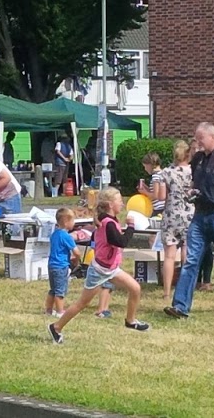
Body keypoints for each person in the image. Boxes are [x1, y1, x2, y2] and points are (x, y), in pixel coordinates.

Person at [164, 123, 214, 319]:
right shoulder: (198, 159)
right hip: (199, 216)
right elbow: (195, 182)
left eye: (201, 138)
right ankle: (180, 306)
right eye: (196, 138)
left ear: (212, 137)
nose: (197, 141)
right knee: (191, 260)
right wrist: (191, 191)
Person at [48, 188, 149, 342]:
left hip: (111, 268)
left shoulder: (108, 220)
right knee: (82, 303)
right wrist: (130, 227)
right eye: (119, 201)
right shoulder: (108, 223)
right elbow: (121, 242)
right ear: (110, 204)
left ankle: (130, 321)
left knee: (135, 288)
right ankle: (56, 327)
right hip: (99, 270)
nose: (122, 204)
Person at [154, 140, 195, 305]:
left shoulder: (166, 172)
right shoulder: (193, 171)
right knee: (186, 253)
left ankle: (166, 292)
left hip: (171, 214)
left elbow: (161, 197)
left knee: (169, 256)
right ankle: (185, 289)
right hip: (189, 214)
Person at [46, 206, 77, 316]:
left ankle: (48, 310)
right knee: (60, 290)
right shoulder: (67, 236)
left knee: (53, 289)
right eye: (73, 220)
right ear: (66, 222)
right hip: (61, 266)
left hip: (51, 265)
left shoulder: (54, 234)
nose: (74, 223)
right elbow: (77, 252)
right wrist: (77, 260)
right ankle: (60, 311)